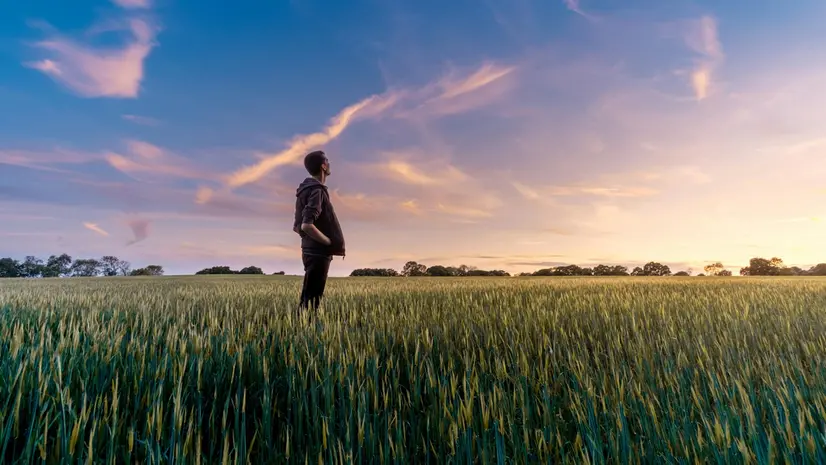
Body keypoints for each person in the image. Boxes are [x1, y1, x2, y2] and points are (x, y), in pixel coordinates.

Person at [293, 150, 345, 312]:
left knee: (309, 297)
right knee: (312, 300)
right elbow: (306, 225)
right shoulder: (317, 190)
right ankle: (304, 332)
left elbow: (297, 225)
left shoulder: (305, 190)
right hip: (317, 252)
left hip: (308, 250)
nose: (329, 164)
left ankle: (301, 329)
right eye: (327, 161)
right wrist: (328, 242)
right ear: (323, 166)